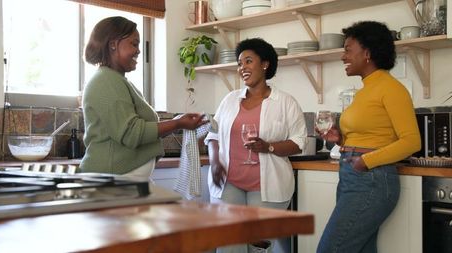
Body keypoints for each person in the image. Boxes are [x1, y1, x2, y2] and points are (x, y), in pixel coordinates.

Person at [317, 21, 421, 253]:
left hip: (371, 178)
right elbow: (368, 136)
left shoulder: (391, 88)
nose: (343, 56)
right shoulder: (366, 90)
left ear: (367, 53)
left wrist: (365, 161)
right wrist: (340, 139)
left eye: (347, 49)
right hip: (354, 174)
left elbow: (412, 141)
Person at [205, 38, 307, 253]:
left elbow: (299, 142)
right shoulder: (230, 100)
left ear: (265, 64)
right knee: (229, 244)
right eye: (240, 63)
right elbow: (213, 135)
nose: (242, 68)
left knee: (256, 246)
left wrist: (268, 147)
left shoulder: (286, 102)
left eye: (248, 61)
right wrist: (215, 163)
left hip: (268, 188)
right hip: (228, 183)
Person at [80, 16, 206, 178]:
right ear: (113, 44)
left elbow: (140, 130)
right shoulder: (106, 80)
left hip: (122, 180)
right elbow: (132, 133)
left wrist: (179, 122)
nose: (139, 50)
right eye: (134, 44)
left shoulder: (116, 79)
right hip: (111, 181)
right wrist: (177, 123)